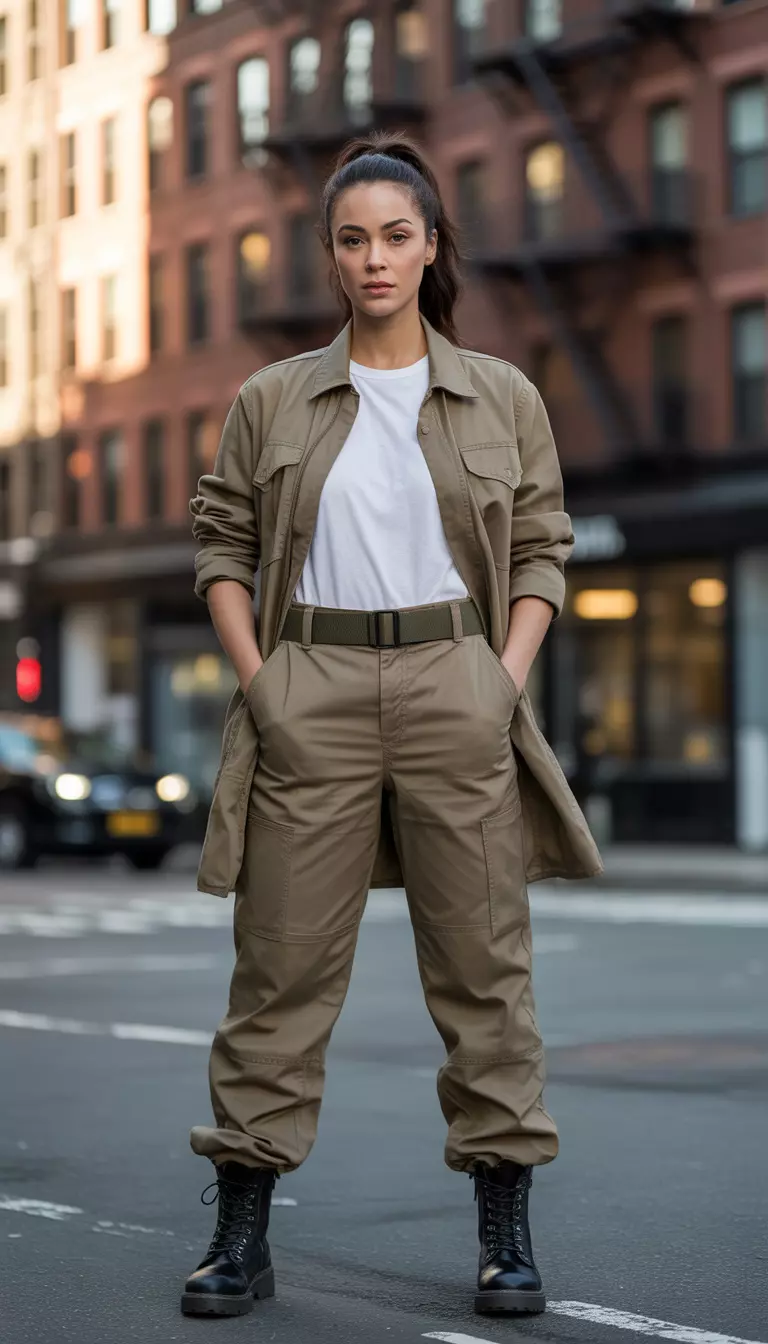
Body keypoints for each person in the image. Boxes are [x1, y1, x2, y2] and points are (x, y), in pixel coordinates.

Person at [181, 131, 603, 1320]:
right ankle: (241, 1232)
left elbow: (542, 548)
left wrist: (500, 681)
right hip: (308, 681)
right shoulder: (273, 398)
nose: (374, 258)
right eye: (353, 239)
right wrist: (263, 683)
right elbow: (222, 545)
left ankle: (504, 1233)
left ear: (430, 248)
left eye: (396, 236)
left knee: (484, 970)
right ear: (331, 255)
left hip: (453, 680)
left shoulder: (500, 395)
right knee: (278, 969)